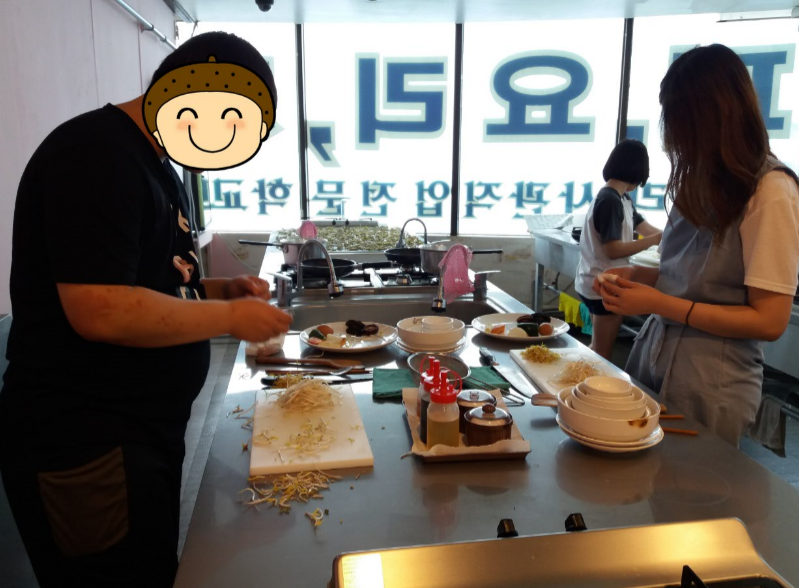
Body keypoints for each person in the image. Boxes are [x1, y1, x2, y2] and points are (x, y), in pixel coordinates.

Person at [0, 32, 292, 587]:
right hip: (88, 442)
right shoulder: (95, 153)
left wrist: (223, 291)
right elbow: (101, 310)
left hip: (140, 430)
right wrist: (231, 320)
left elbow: (154, 286)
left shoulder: (154, 162)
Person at [596, 44, 799, 447]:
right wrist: (640, 276)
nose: (675, 138)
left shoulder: (771, 190)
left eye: (682, 122)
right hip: (654, 352)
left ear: (717, 117)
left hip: (712, 378)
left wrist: (658, 302)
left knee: (688, 482)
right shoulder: (701, 179)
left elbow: (769, 320)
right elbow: (690, 275)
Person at [575, 139, 662, 360]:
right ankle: (586, 381)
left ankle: (582, 378)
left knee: (596, 347)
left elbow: (645, 228)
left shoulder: (621, 198)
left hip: (597, 280)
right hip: (602, 283)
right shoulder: (610, 200)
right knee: (601, 353)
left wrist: (667, 237)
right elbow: (613, 250)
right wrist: (653, 241)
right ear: (637, 171)